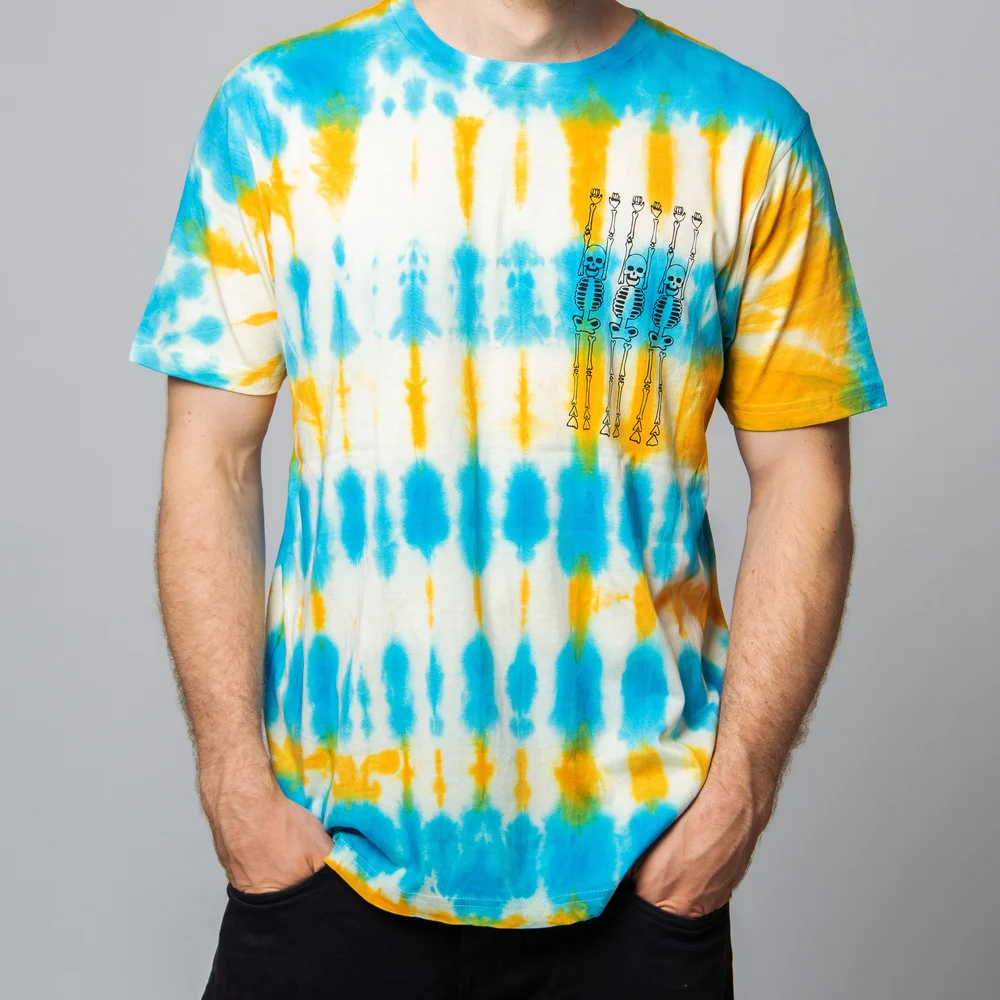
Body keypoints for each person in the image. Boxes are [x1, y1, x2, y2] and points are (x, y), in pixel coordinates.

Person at [130, 0, 886, 996]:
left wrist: (736, 795)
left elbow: (804, 483)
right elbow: (210, 460)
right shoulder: (281, 109)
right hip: (327, 860)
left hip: (641, 878)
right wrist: (233, 780)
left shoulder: (744, 132)